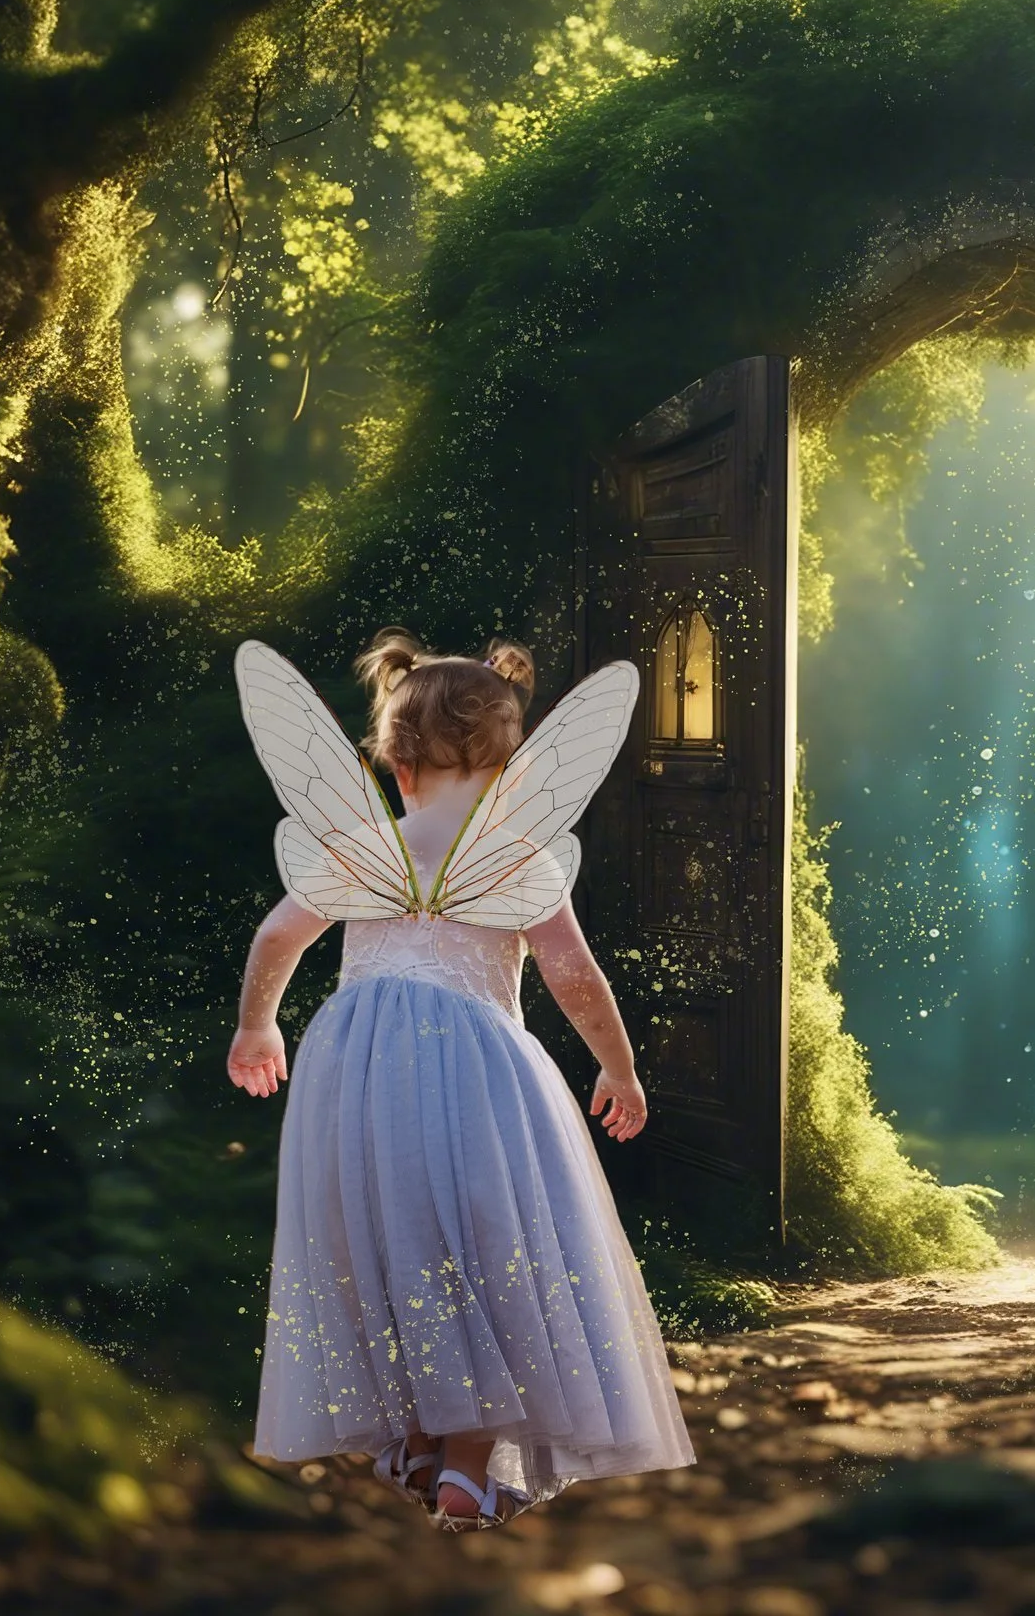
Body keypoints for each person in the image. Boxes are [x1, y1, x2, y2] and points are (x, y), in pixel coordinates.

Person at [226, 628, 693, 1529]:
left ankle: (408, 1430)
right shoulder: (518, 853)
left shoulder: (366, 845)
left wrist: (257, 1026)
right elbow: (573, 975)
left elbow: (278, 937)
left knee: (377, 1237)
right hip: (476, 1064)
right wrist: (618, 1065)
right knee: (488, 1247)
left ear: (394, 764)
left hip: (353, 1065)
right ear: (511, 764)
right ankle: (467, 1466)